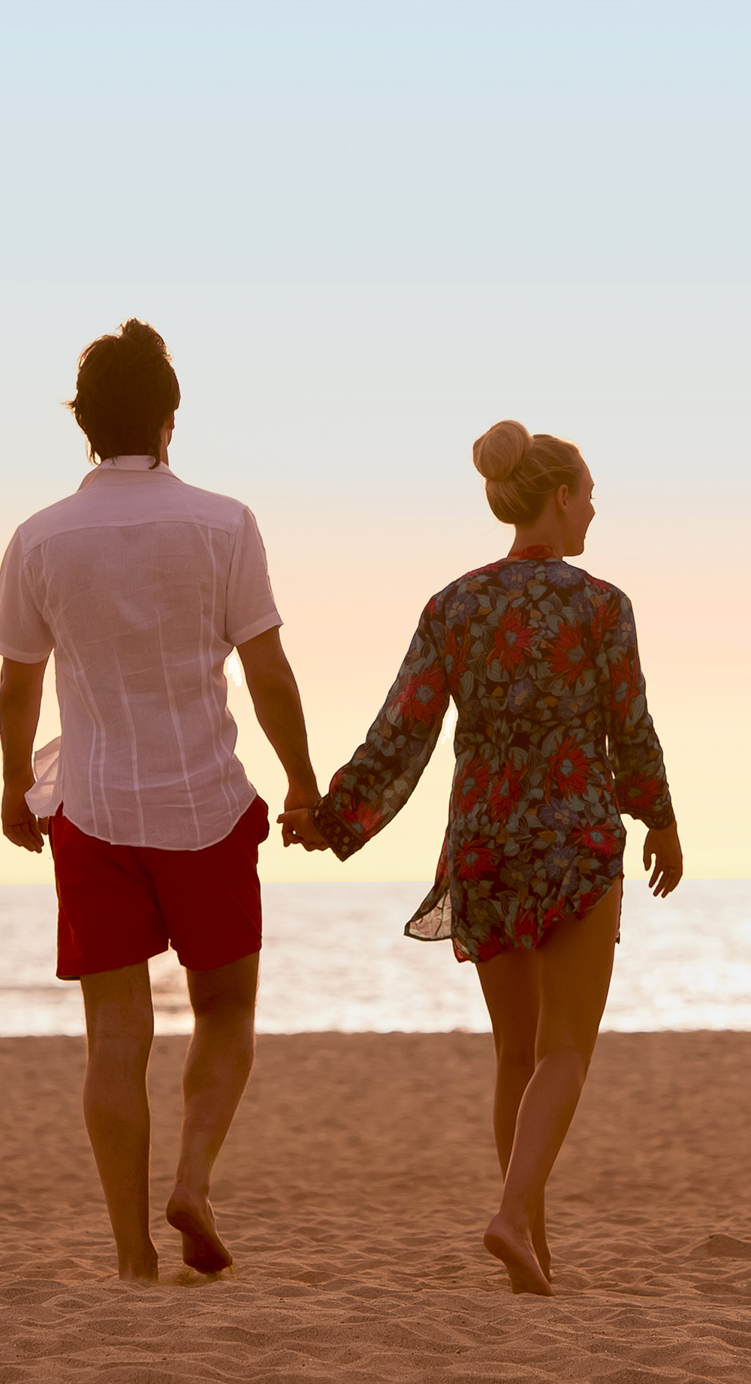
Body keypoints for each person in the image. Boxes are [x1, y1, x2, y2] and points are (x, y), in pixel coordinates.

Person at [288, 421, 681, 1296]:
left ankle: (529, 1254)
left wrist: (334, 817)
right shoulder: (600, 605)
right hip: (573, 844)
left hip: (484, 848)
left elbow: (404, 729)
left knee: (516, 1056)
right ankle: (511, 1218)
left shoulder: (454, 604)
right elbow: (631, 728)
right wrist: (660, 818)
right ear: (557, 496)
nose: (593, 510)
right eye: (587, 493)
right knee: (566, 1051)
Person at [0, 320, 322, 1283]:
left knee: (115, 1041)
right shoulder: (224, 524)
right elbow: (268, 671)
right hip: (205, 805)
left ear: (84, 425)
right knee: (225, 1009)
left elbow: (17, 682)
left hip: (91, 810)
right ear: (170, 420)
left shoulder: (39, 536)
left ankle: (132, 1254)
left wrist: (14, 783)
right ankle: (194, 1178)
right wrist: (302, 780)